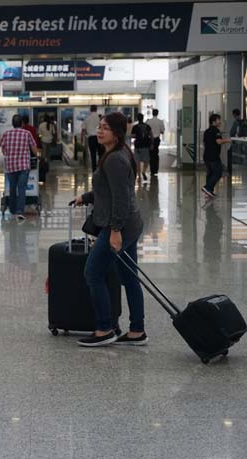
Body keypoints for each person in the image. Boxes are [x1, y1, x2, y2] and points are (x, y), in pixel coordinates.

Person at [73, 112, 146, 347]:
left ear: (116, 133)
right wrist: (86, 197)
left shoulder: (114, 159)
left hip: (120, 225)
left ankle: (105, 328)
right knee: (129, 277)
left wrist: (115, 231)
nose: (99, 130)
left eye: (105, 128)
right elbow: (110, 191)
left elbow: (121, 199)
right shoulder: (118, 153)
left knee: (92, 273)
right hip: (130, 223)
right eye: (100, 127)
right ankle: (137, 330)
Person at [0, 114, 39, 221]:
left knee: (12, 188)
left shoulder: (6, 134)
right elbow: (34, 148)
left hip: (11, 166)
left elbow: (3, 150)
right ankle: (20, 212)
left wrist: (9, 153)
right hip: (23, 166)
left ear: (12, 124)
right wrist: (37, 156)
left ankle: (12, 210)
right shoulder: (27, 133)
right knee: (21, 188)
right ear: (22, 123)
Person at [201, 113, 232, 198]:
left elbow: (204, 143)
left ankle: (209, 191)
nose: (220, 121)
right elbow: (218, 141)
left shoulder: (206, 131)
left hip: (206, 156)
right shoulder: (216, 131)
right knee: (218, 173)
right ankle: (207, 188)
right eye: (219, 120)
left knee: (210, 173)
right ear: (214, 121)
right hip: (213, 156)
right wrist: (228, 140)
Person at [131, 113, 152, 183]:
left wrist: (137, 136)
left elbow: (133, 136)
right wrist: (152, 143)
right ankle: (144, 171)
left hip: (137, 146)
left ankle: (139, 176)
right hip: (145, 145)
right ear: (143, 118)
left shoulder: (135, 127)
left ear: (137, 118)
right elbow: (151, 135)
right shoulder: (147, 126)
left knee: (138, 162)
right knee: (146, 161)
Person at [146, 109, 165, 176]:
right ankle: (156, 170)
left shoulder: (148, 121)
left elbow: (146, 131)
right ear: (157, 113)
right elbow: (162, 131)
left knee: (151, 154)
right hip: (156, 139)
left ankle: (152, 170)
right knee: (156, 154)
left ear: (152, 113)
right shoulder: (160, 121)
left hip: (150, 139)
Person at [82, 105, 100, 172]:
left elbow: (83, 129)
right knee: (100, 154)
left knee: (93, 155)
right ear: (96, 109)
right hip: (99, 137)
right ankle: (100, 168)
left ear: (90, 109)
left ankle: (94, 170)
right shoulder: (99, 118)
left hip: (91, 138)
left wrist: (82, 139)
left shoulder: (87, 118)